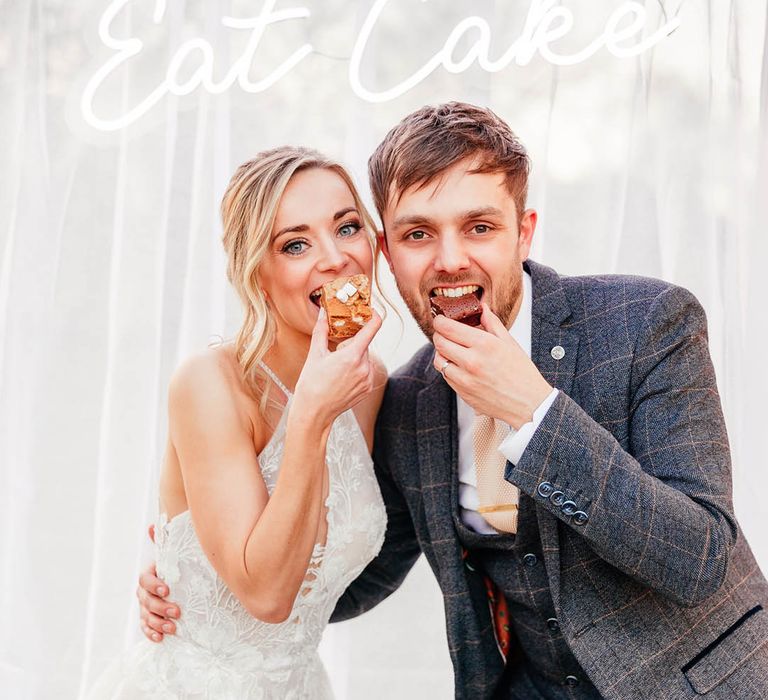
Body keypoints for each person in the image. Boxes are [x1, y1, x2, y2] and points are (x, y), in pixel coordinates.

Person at [139, 103, 768, 699]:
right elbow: (352, 574)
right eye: (418, 233)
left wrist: (534, 412)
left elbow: (701, 558)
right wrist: (197, 582)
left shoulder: (647, 323)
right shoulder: (406, 395)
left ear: (524, 234)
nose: (449, 261)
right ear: (387, 254)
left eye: (480, 227)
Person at [91, 146, 387, 699]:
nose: (335, 259)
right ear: (258, 272)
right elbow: (268, 596)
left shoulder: (371, 387)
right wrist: (311, 415)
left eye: (347, 228)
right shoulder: (210, 383)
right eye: (296, 244)